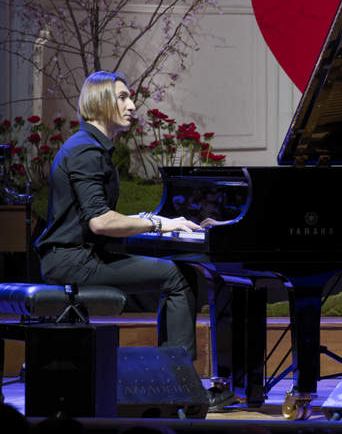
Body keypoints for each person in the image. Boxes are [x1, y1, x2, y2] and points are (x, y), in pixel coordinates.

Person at [34, 71, 237, 410]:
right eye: (123, 97)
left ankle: (172, 384)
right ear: (100, 103)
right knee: (178, 276)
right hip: (71, 260)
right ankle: (180, 389)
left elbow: (96, 218)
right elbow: (100, 222)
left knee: (177, 273)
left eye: (130, 98)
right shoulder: (86, 151)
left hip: (77, 255)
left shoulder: (90, 147)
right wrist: (157, 222)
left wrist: (150, 223)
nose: (132, 105)